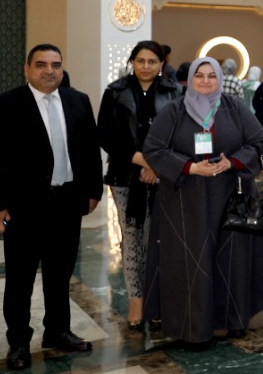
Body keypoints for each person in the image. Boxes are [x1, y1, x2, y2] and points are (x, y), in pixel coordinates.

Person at [0, 44, 103, 369]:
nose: (49, 71)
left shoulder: (78, 101)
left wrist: (92, 192)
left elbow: (89, 150)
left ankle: (57, 331)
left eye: (56, 65)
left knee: (60, 276)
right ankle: (18, 341)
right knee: (20, 279)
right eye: (42, 65)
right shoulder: (4, 104)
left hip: (66, 203)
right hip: (23, 207)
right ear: (27, 68)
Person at [142, 57, 263, 347]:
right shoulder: (173, 111)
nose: (205, 81)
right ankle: (194, 326)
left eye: (211, 76)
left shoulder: (234, 107)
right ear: (190, 79)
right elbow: (153, 149)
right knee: (191, 260)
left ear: (219, 78)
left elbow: (258, 141)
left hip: (232, 193)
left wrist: (232, 162)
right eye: (199, 75)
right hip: (186, 200)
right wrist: (190, 167)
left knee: (232, 256)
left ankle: (233, 319)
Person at [96, 40, 181, 329]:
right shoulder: (115, 92)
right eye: (141, 60)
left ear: (161, 65)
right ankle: (137, 304)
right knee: (132, 240)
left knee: (160, 240)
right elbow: (105, 135)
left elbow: (180, 135)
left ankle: (158, 303)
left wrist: (157, 166)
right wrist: (142, 161)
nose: (146, 66)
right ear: (132, 62)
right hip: (125, 176)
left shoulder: (174, 92)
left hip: (164, 178)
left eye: (152, 61)